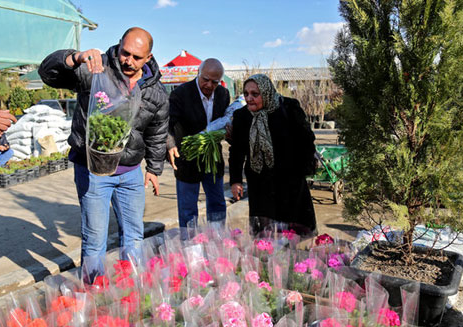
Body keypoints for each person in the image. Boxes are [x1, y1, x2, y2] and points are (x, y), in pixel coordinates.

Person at [38, 27, 169, 282]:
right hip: (93, 170)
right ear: (119, 45)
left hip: (130, 173)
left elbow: (157, 132)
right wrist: (73, 58)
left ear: (149, 57)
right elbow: (48, 73)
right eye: (125, 52)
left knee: (133, 233)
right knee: (95, 237)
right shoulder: (96, 70)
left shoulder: (156, 91)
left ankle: (129, 285)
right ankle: (94, 291)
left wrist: (153, 169)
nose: (128, 61)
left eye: (136, 57)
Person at [229, 74, 317, 236]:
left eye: (255, 94)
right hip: (259, 183)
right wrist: (235, 181)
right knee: (266, 234)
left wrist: (304, 170)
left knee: (293, 233)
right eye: (246, 94)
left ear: (266, 92)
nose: (249, 98)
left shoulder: (289, 108)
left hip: (290, 181)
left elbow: (306, 140)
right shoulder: (242, 116)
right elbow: (236, 151)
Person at [167, 59, 230, 237]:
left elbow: (225, 120)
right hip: (187, 158)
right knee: (187, 209)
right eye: (205, 79)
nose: (209, 85)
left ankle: (217, 243)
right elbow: (167, 125)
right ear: (198, 73)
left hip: (213, 158)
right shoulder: (180, 94)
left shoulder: (223, 94)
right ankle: (190, 245)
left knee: (217, 203)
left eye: (215, 82)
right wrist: (170, 145)